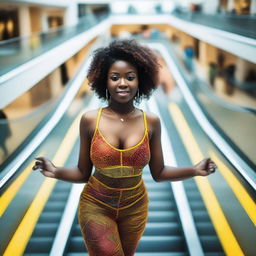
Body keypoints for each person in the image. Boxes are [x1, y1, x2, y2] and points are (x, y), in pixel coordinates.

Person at [33, 39, 217, 256]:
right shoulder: (90, 120)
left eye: (130, 77)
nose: (123, 83)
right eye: (115, 77)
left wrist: (194, 170)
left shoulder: (152, 121)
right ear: (105, 81)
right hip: (96, 205)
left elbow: (159, 173)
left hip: (136, 207)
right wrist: (55, 171)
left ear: (140, 81)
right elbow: (83, 173)